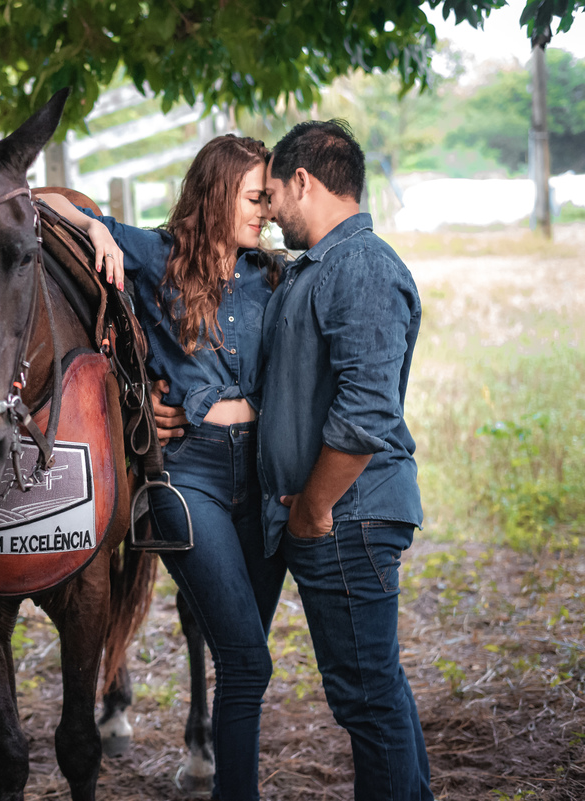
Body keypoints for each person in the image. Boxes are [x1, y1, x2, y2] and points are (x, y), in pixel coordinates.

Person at [42, 134, 288, 801]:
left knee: (244, 663)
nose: (265, 210)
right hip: (194, 476)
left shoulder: (274, 274)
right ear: (216, 193)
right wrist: (95, 223)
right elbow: (37, 203)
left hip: (263, 482)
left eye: (269, 198)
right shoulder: (156, 255)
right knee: (247, 659)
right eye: (255, 196)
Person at [259, 120, 431, 801]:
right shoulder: (321, 266)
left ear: (303, 181)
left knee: (366, 698)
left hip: (348, 518)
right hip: (339, 517)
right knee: (375, 689)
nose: (268, 212)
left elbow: (365, 414)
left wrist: (313, 505)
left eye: (271, 194)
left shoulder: (362, 267)